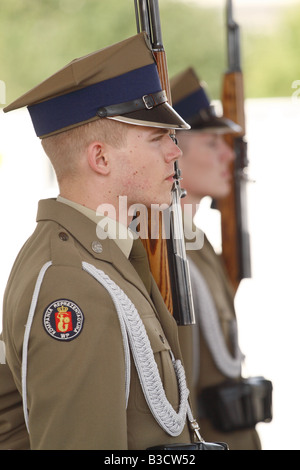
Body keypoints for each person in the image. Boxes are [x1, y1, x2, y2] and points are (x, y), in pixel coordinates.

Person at [0, 33, 200, 450]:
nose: (175, 152)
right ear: (101, 158)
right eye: (158, 137)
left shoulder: (105, 260)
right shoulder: (71, 283)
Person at [171, 67, 262, 450]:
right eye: (212, 143)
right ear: (173, 151)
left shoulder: (195, 241)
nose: (230, 154)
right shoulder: (163, 252)